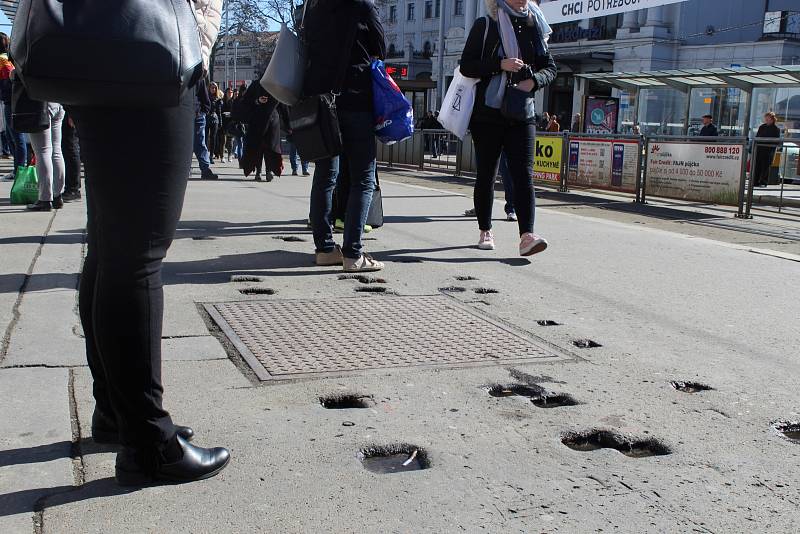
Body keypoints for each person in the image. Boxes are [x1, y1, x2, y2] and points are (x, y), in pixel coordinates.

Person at [68, 0, 229, 485]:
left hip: (101, 47)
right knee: (137, 254)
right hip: (152, 50)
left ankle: (117, 414)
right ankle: (147, 443)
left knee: (112, 244)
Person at [460, 0, 556, 256]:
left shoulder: (534, 23)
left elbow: (550, 67)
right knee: (487, 175)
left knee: (523, 175)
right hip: (487, 115)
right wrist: (499, 64)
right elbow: (466, 66)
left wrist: (534, 81)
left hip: (521, 111)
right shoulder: (486, 24)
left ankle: (527, 236)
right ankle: (485, 230)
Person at [304, 0, 386, 272]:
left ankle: (325, 249)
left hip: (322, 103)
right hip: (355, 101)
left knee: (325, 176)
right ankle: (353, 253)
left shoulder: (315, 8)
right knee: (363, 178)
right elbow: (380, 47)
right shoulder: (363, 5)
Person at [238, 81, 284, 182]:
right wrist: (257, 101)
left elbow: (281, 102)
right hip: (257, 121)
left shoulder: (275, 84)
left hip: (272, 121)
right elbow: (246, 101)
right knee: (257, 148)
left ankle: (269, 171)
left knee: (270, 148)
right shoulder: (255, 85)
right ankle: (259, 171)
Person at [26, 103, 66, 211]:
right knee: (56, 150)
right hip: (57, 103)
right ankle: (58, 196)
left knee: (42, 152)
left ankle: (45, 199)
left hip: (40, 103)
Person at [0, 34, 27, 182]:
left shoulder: (3, 59)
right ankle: (17, 169)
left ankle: (19, 170)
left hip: (10, 101)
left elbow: (6, 82)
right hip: (10, 101)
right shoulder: (6, 58)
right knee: (13, 137)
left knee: (16, 138)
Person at [193, 77, 218, 180]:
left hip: (197, 115)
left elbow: (205, 99)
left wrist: (202, 112)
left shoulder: (198, 78)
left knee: (200, 143)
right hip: (183, 113)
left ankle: (205, 170)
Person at [754, 111, 781, 188]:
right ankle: (755, 181)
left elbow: (776, 140)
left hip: (768, 150)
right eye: (765, 118)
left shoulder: (776, 129)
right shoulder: (762, 127)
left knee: (765, 167)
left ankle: (763, 182)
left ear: (772, 119)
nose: (766, 120)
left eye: (768, 118)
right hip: (759, 149)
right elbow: (757, 137)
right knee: (757, 165)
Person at [61, 111, 82, 200]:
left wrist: (71, 113)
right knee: (69, 148)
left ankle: (73, 188)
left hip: (70, 111)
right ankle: (73, 187)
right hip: (68, 111)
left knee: (70, 147)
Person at [206, 82, 222, 164]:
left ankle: (211, 156)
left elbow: (219, 112)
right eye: (212, 88)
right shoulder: (206, 97)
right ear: (209, 88)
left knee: (213, 138)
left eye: (215, 88)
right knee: (205, 138)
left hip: (214, 119)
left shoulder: (218, 99)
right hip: (206, 118)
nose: (213, 89)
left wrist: (220, 122)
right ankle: (205, 155)